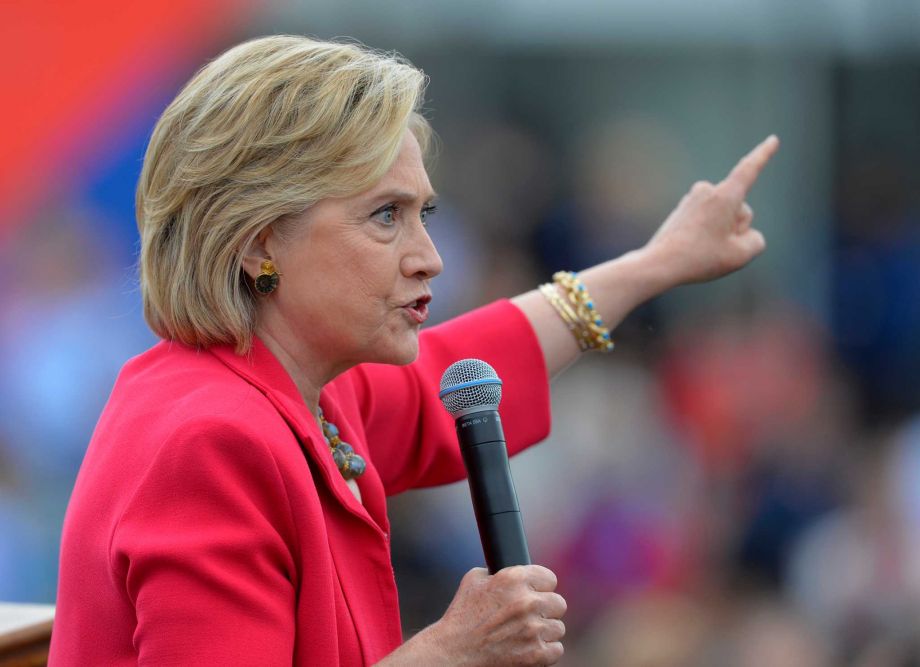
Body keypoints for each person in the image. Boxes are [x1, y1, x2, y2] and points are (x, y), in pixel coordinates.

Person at [49, 35, 779, 666]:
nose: (430, 257)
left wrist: (656, 263)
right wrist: (455, 649)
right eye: (385, 216)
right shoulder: (211, 442)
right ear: (258, 240)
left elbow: (464, 366)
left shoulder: (295, 392)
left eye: (422, 213)